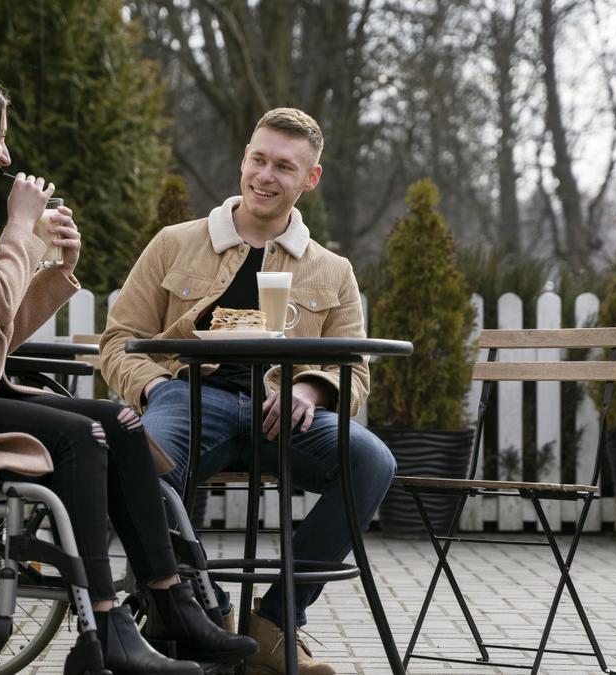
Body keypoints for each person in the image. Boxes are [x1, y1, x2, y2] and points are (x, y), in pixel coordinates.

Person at [0, 71, 256, 675]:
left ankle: (172, 603)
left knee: (118, 420)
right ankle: (107, 625)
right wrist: (18, 230)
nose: (6, 156)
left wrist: (58, 269)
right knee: (78, 435)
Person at [100, 108, 397, 675]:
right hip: (190, 400)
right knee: (144, 460)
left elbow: (355, 369)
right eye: (258, 160)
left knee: (371, 461)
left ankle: (276, 625)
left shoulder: (331, 270)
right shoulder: (174, 244)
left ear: (310, 179)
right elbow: (118, 341)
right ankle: (192, 617)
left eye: (284, 167)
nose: (265, 175)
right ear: (243, 160)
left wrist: (310, 389)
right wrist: (159, 387)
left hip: (286, 418)